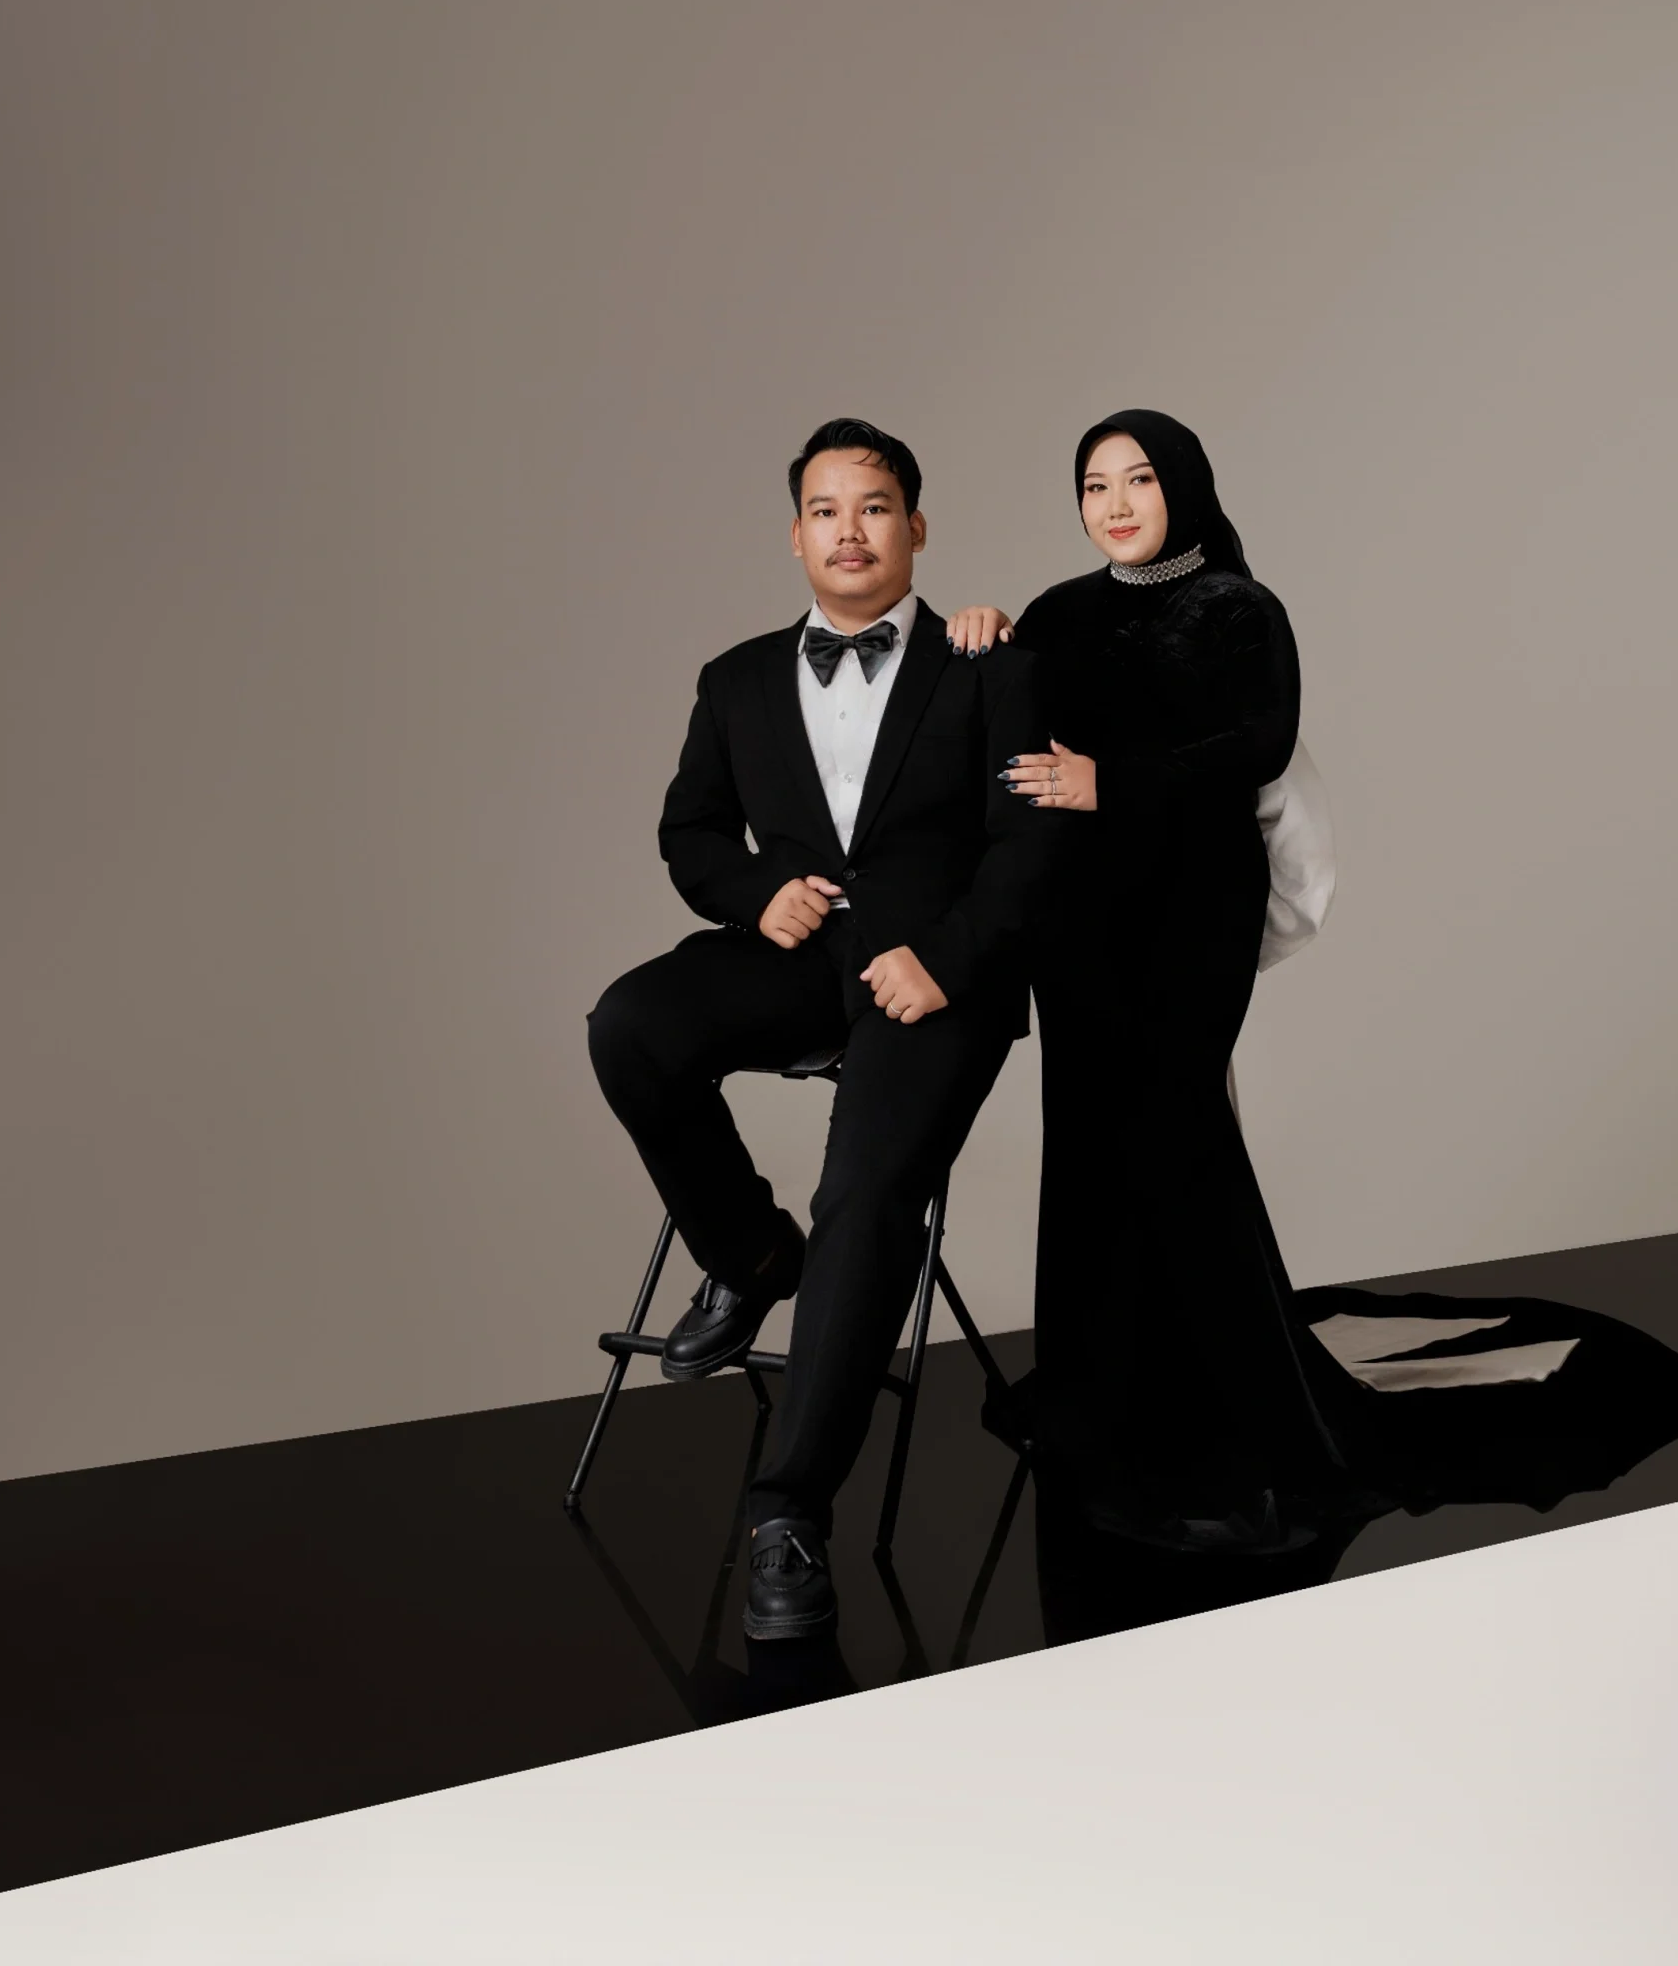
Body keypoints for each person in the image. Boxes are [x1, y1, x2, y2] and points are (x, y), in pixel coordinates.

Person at [586, 417, 1059, 1639]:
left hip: (935, 978)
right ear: (794, 534)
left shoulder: (985, 662)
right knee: (631, 1023)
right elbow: (691, 833)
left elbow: (1031, 844)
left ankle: (786, 1512)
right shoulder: (735, 677)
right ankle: (752, 1257)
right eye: (824, 509)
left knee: (864, 1191)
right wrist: (756, 894)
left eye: (874, 506)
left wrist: (946, 960)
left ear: (916, 527)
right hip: (792, 962)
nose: (849, 530)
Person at [947, 409, 1371, 1548]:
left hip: (1194, 904)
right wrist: (978, 638)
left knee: (1179, 1135)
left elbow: (1259, 744)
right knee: (1090, 1141)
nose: (1116, 504)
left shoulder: (1239, 607)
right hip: (1080, 915)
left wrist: (1112, 782)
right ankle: (1105, 1414)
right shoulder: (1055, 613)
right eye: (1095, 485)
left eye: (1138, 479)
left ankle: (1252, 1439)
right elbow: (998, 726)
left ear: (1182, 484)